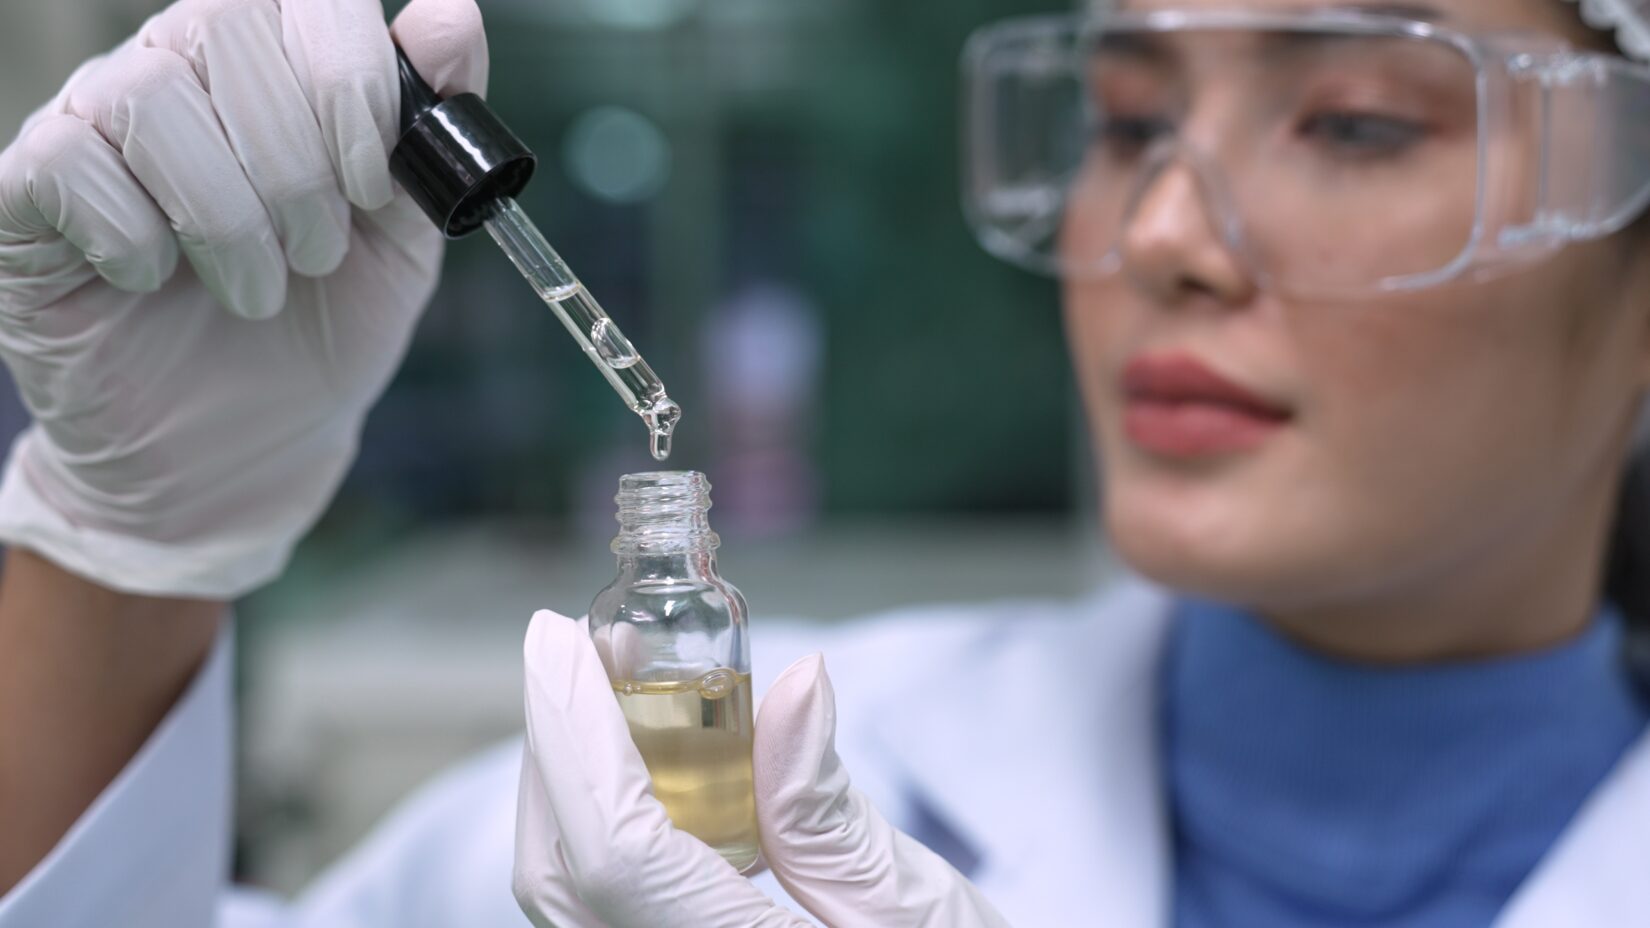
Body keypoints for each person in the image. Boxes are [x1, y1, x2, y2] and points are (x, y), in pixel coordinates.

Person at [2, 0, 1649, 923]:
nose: (1156, 237)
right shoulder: (693, 801)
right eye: (1129, 123)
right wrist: (123, 554)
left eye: (1356, 122)